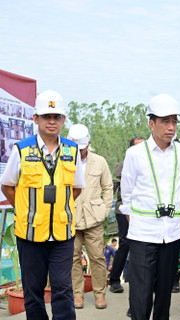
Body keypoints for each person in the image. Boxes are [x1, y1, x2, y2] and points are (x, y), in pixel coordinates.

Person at [0, 90, 85, 320]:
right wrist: (26, 209)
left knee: (63, 289)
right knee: (33, 292)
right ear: (36, 118)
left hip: (62, 235)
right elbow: (8, 186)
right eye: (46, 116)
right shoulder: (22, 149)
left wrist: (58, 209)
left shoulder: (72, 150)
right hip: (29, 236)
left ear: (63, 121)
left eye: (56, 117)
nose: (51, 121)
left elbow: (76, 188)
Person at [120, 93, 180, 320]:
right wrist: (136, 221)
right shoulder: (135, 154)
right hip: (143, 234)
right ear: (151, 123)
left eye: (174, 121)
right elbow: (127, 194)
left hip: (171, 234)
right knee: (141, 292)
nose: (171, 127)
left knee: (165, 293)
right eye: (165, 121)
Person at [68, 123, 113, 310]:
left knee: (97, 258)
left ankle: (100, 294)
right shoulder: (63, 160)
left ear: (89, 143)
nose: (80, 152)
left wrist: (105, 209)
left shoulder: (99, 161)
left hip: (94, 217)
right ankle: (77, 295)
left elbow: (108, 187)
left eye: (83, 148)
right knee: (72, 258)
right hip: (70, 216)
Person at [110, 136, 145, 294]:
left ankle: (144, 281)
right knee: (125, 243)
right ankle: (115, 280)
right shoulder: (122, 165)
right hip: (124, 209)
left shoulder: (150, 165)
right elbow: (112, 187)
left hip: (145, 210)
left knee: (145, 245)